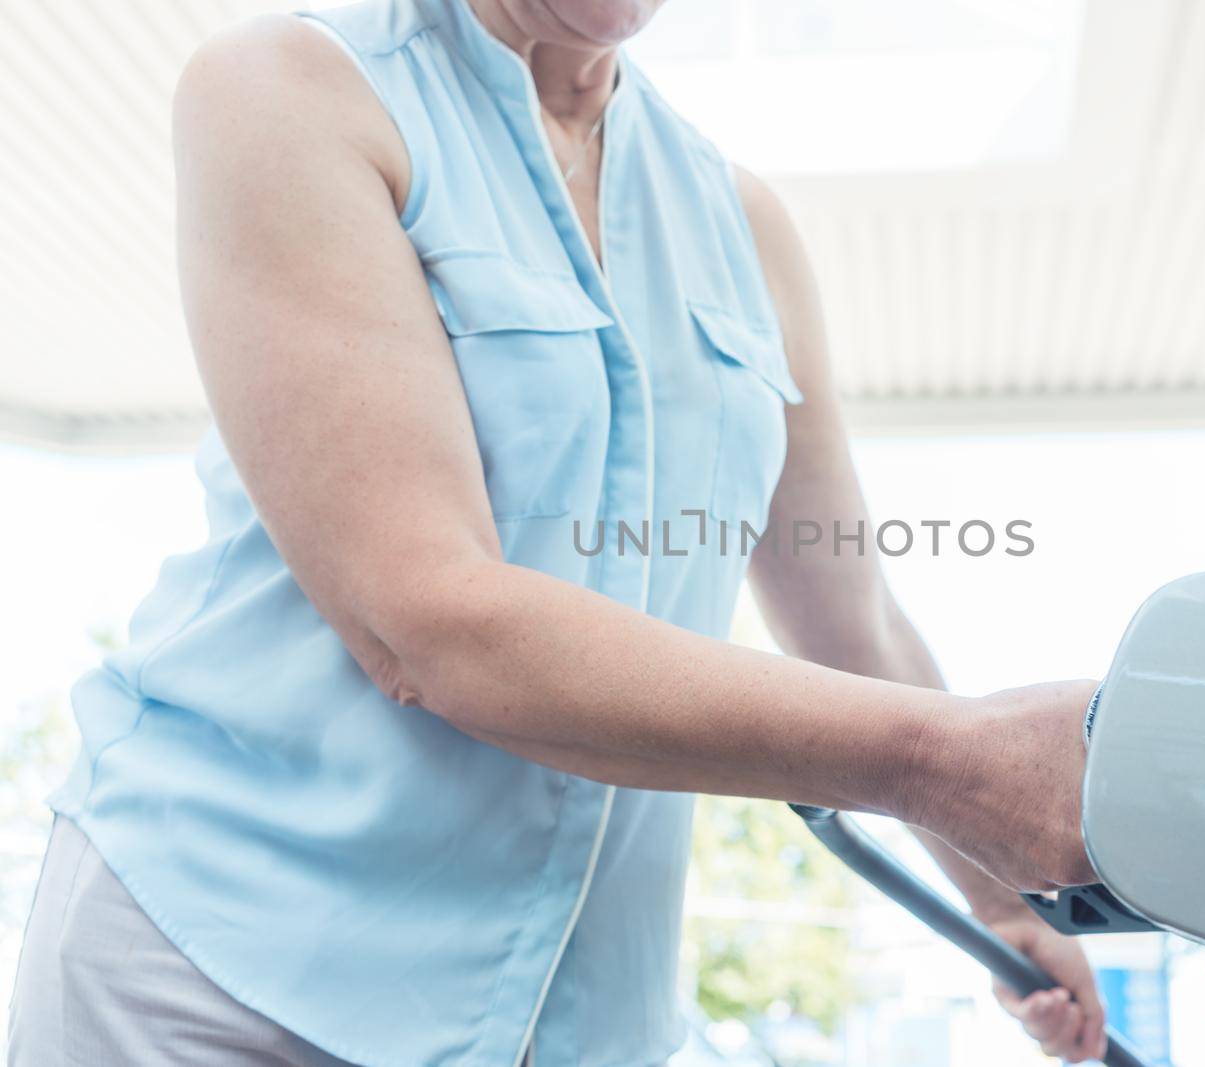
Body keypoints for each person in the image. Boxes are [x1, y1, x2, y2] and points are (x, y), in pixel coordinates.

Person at [8, 1, 1106, 1063]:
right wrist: (942, 762)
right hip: (223, 968)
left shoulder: (740, 223)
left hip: (573, 1019)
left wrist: (998, 903)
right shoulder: (291, 89)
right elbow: (429, 620)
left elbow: (847, 609)